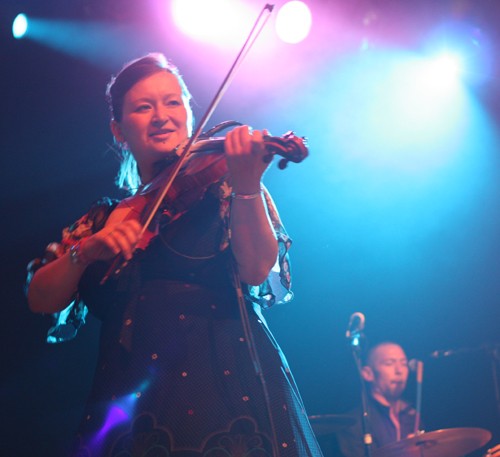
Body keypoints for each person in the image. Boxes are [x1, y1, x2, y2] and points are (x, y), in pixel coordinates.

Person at [26, 53, 323, 457]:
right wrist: (84, 253)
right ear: (118, 130)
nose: (161, 116)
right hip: (126, 401)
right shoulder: (102, 219)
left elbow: (256, 270)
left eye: (172, 102)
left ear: (187, 111)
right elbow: (41, 297)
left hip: (224, 388)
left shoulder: (223, 186)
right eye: (143, 107)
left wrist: (248, 186)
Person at [335, 342, 499, 457]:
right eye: (389, 363)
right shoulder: (354, 424)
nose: (399, 370)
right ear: (367, 373)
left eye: (404, 363)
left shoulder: (412, 414)